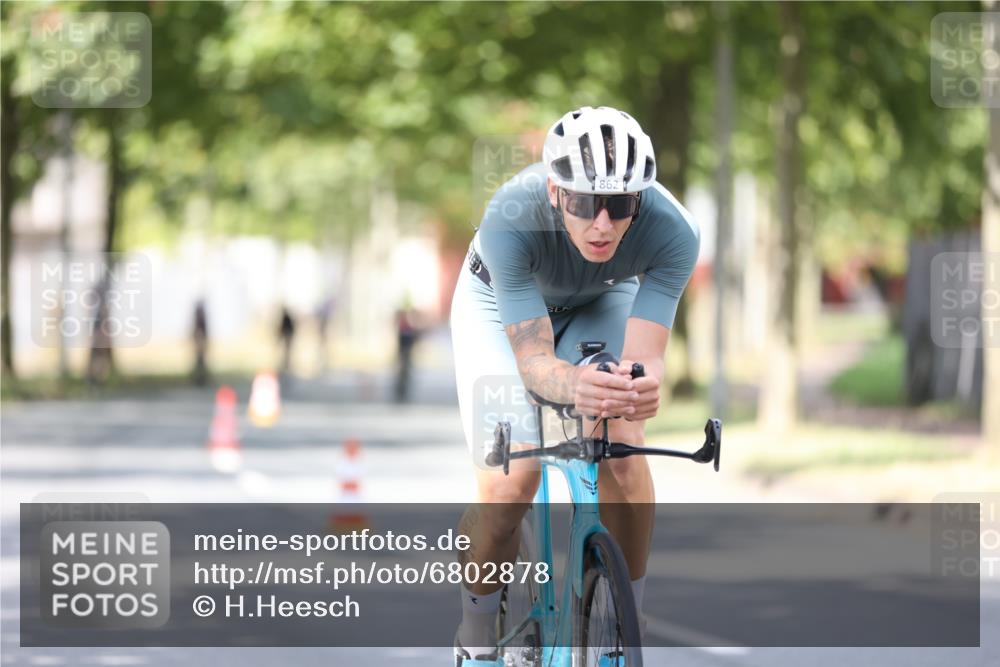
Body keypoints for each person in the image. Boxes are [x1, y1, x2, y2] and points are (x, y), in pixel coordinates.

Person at [449, 106, 700, 663]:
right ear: (555, 192)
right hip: (498, 307)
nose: (603, 223)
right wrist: (574, 385)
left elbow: (645, 359)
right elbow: (535, 362)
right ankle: (476, 634)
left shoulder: (675, 229)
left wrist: (641, 386)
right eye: (586, 204)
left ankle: (621, 629)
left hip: (600, 299)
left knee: (625, 449)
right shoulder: (509, 219)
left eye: (620, 205)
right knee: (509, 480)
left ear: (643, 197)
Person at [192, 299, 209, 386]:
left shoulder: (200, 315)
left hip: (201, 340)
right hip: (199, 340)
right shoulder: (199, 315)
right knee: (199, 361)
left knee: (201, 361)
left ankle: (201, 380)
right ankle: (199, 380)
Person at [277, 306, 296, 376]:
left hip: (288, 336)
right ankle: (286, 365)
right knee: (286, 352)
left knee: (287, 352)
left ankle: (287, 365)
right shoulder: (286, 317)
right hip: (287, 336)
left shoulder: (286, 317)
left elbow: (285, 328)